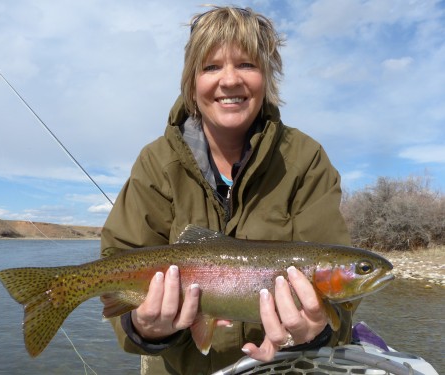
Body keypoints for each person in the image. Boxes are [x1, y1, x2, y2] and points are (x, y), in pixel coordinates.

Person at [101, 6, 354, 375]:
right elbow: (117, 258)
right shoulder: (157, 161)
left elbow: (339, 310)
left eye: (248, 65)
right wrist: (144, 329)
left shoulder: (305, 159)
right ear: (191, 82)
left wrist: (314, 334)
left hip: (284, 368)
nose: (230, 80)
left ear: (268, 77)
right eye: (211, 67)